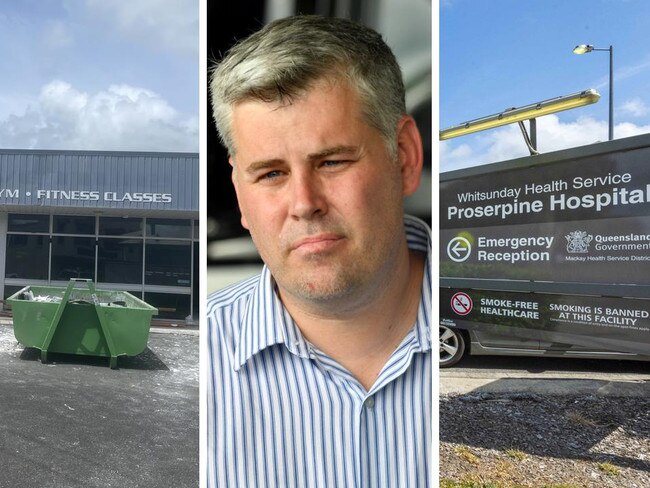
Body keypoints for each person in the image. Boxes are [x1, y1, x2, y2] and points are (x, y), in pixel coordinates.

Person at [207, 15, 431, 487]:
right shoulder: (198, 362)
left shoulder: (485, 323)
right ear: (239, 193)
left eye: (332, 162)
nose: (305, 204)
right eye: (271, 174)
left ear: (405, 156)